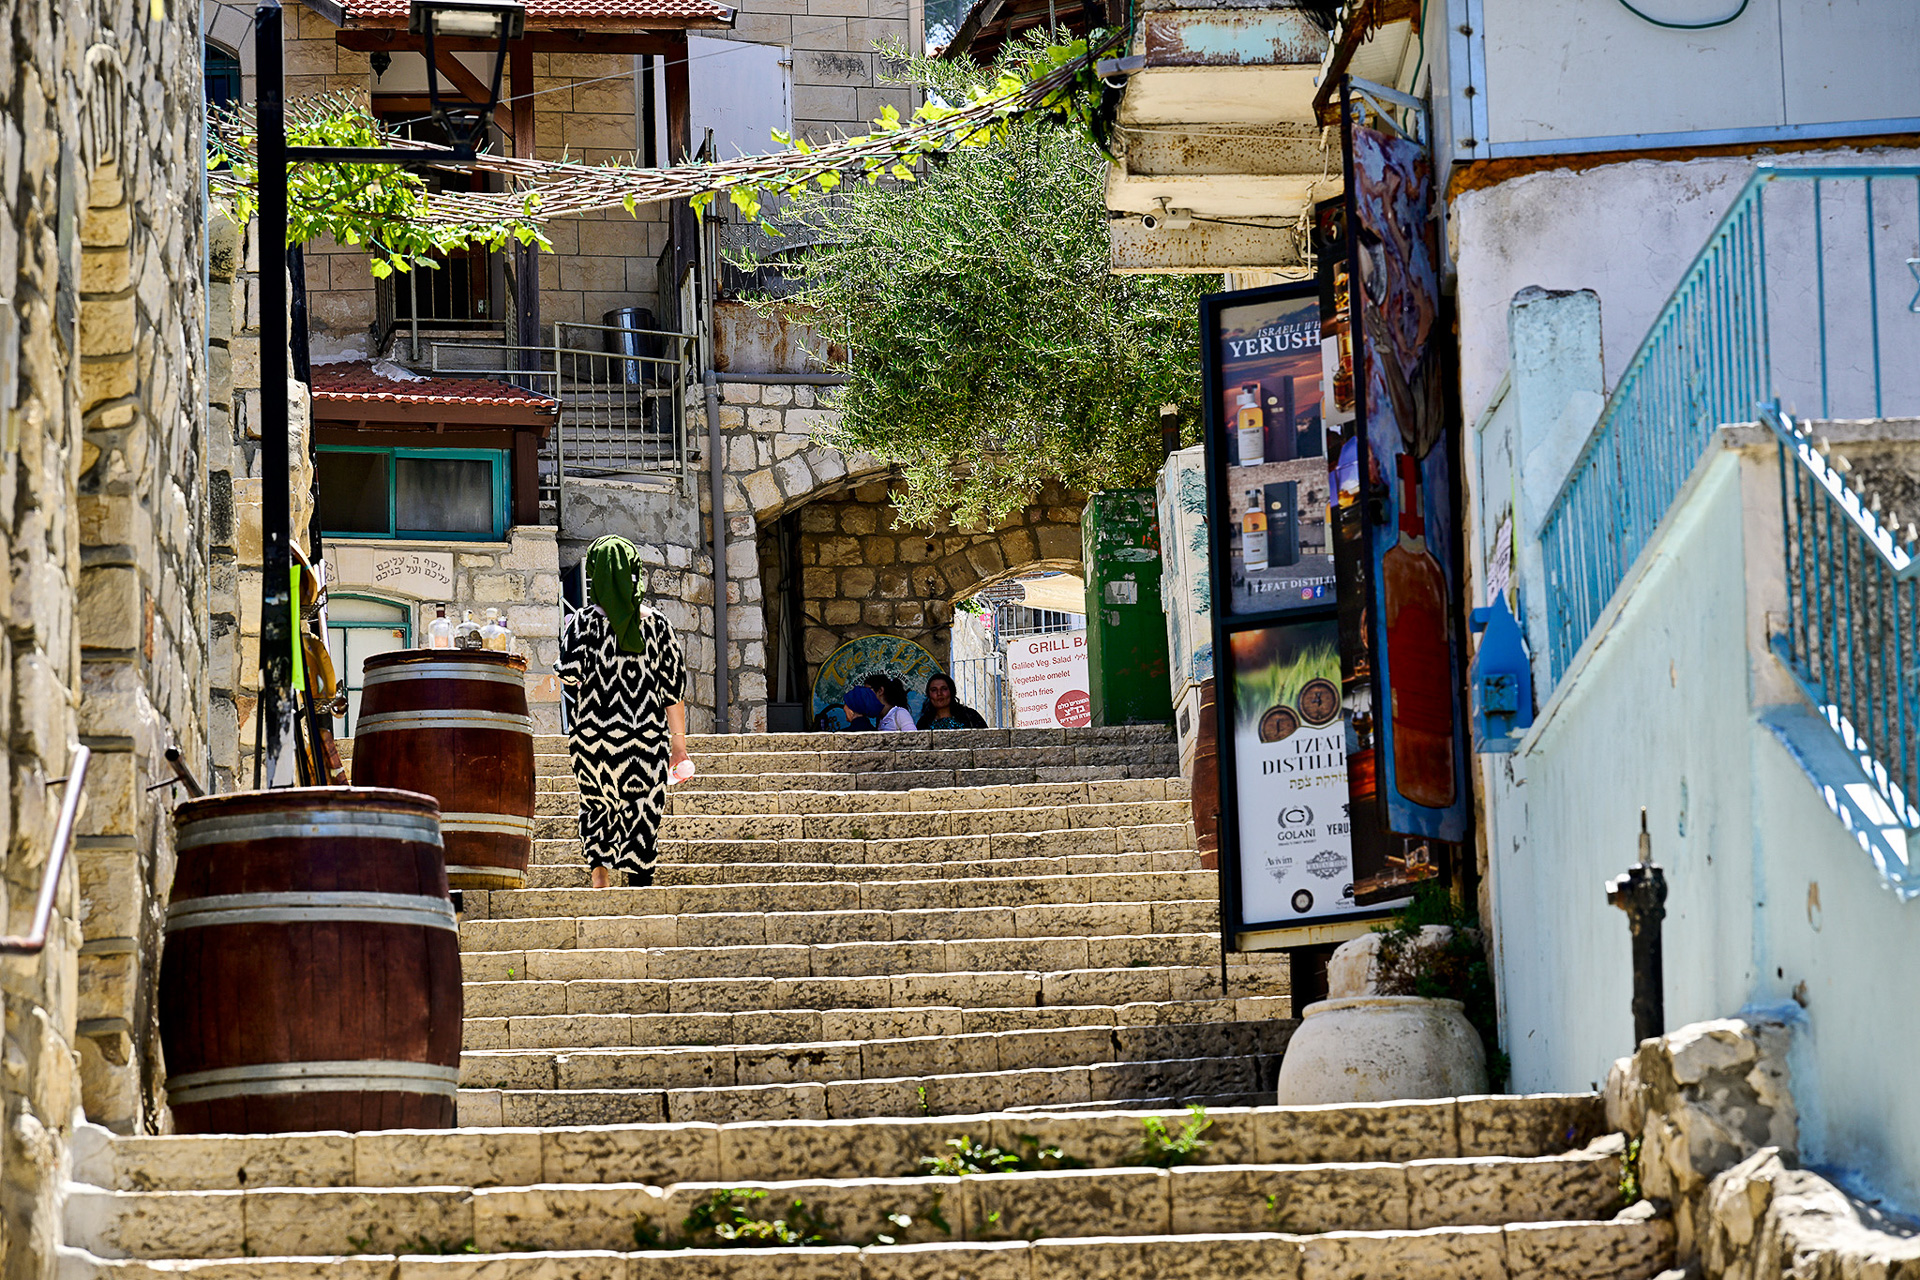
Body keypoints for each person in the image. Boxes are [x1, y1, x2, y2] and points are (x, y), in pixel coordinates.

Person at [555, 535, 689, 889]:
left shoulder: (580, 623)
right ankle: (638, 881)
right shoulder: (658, 625)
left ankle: (600, 875)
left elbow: (569, 676)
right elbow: (673, 692)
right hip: (645, 740)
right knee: (642, 808)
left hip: (592, 738)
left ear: (595, 575)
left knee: (596, 803)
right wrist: (679, 746)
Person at [918, 673, 988, 730]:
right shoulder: (923, 723)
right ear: (928, 694)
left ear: (952, 691)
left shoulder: (971, 716)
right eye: (934, 690)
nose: (939, 693)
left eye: (944, 689)